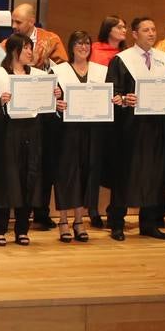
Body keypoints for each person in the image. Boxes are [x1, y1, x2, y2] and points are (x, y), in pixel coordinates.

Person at [106, 16, 165, 240]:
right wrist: (123, 99)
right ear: (134, 34)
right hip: (130, 126)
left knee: (155, 172)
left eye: (153, 29)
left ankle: (149, 222)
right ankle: (116, 222)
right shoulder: (121, 60)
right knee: (126, 172)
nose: (151, 34)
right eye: (146, 30)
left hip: (157, 125)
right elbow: (112, 92)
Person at [0, 34, 64, 246]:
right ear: (14, 51)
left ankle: (22, 229)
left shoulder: (39, 75)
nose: (31, 52)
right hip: (8, 134)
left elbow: (47, 111)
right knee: (6, 180)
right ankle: (0, 228)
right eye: (26, 48)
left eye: (32, 48)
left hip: (33, 133)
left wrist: (55, 98)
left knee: (29, 178)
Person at [50, 30, 111, 241]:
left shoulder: (102, 71)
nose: (83, 47)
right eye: (78, 43)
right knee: (68, 174)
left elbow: (108, 98)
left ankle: (79, 220)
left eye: (87, 43)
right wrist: (56, 104)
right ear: (71, 46)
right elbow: (49, 103)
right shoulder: (58, 71)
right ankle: (63, 221)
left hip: (93, 131)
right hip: (67, 132)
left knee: (87, 172)